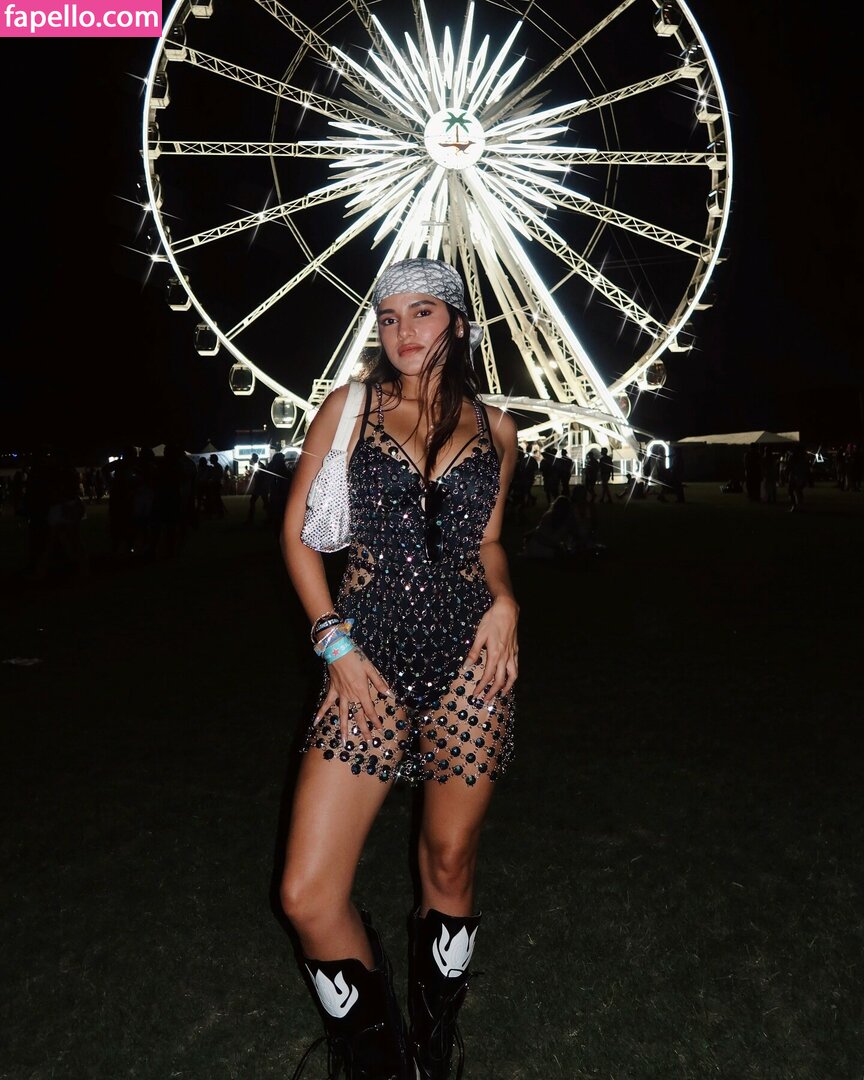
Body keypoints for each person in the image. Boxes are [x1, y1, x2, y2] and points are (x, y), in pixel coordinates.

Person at [279, 258, 519, 1080]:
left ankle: (431, 1048)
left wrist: (506, 600)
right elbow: (299, 538)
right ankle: (378, 1060)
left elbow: (488, 540)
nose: (402, 331)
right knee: (307, 894)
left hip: (470, 668)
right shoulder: (350, 407)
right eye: (387, 317)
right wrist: (334, 643)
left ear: (458, 322)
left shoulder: (498, 428)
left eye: (421, 312)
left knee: (450, 860)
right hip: (366, 662)